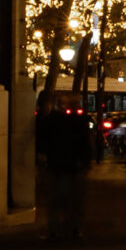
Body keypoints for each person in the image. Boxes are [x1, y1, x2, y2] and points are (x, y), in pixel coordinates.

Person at [38, 99, 92, 242]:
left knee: (56, 200)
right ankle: (74, 229)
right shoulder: (79, 122)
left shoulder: (51, 121)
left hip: (56, 165)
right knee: (74, 201)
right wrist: (85, 163)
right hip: (72, 166)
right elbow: (85, 144)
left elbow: (43, 140)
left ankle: (55, 230)